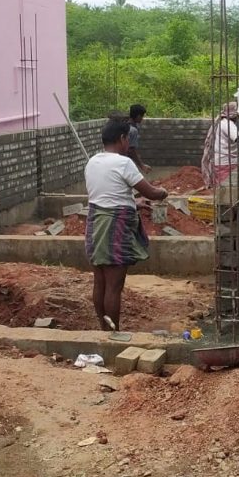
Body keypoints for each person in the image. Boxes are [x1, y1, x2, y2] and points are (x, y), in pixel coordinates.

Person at [85, 119, 168, 333]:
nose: (128, 144)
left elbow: (107, 194)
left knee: (100, 281)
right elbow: (151, 192)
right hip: (115, 226)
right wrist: (163, 193)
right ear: (122, 139)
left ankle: (104, 328)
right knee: (114, 285)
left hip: (95, 223)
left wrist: (134, 202)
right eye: (127, 139)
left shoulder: (93, 161)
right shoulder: (123, 163)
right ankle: (113, 333)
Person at [201, 101, 239, 188]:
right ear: (234, 115)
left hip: (221, 161)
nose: (238, 118)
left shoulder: (221, 122)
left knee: (223, 188)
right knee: (227, 189)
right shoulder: (228, 124)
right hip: (226, 162)